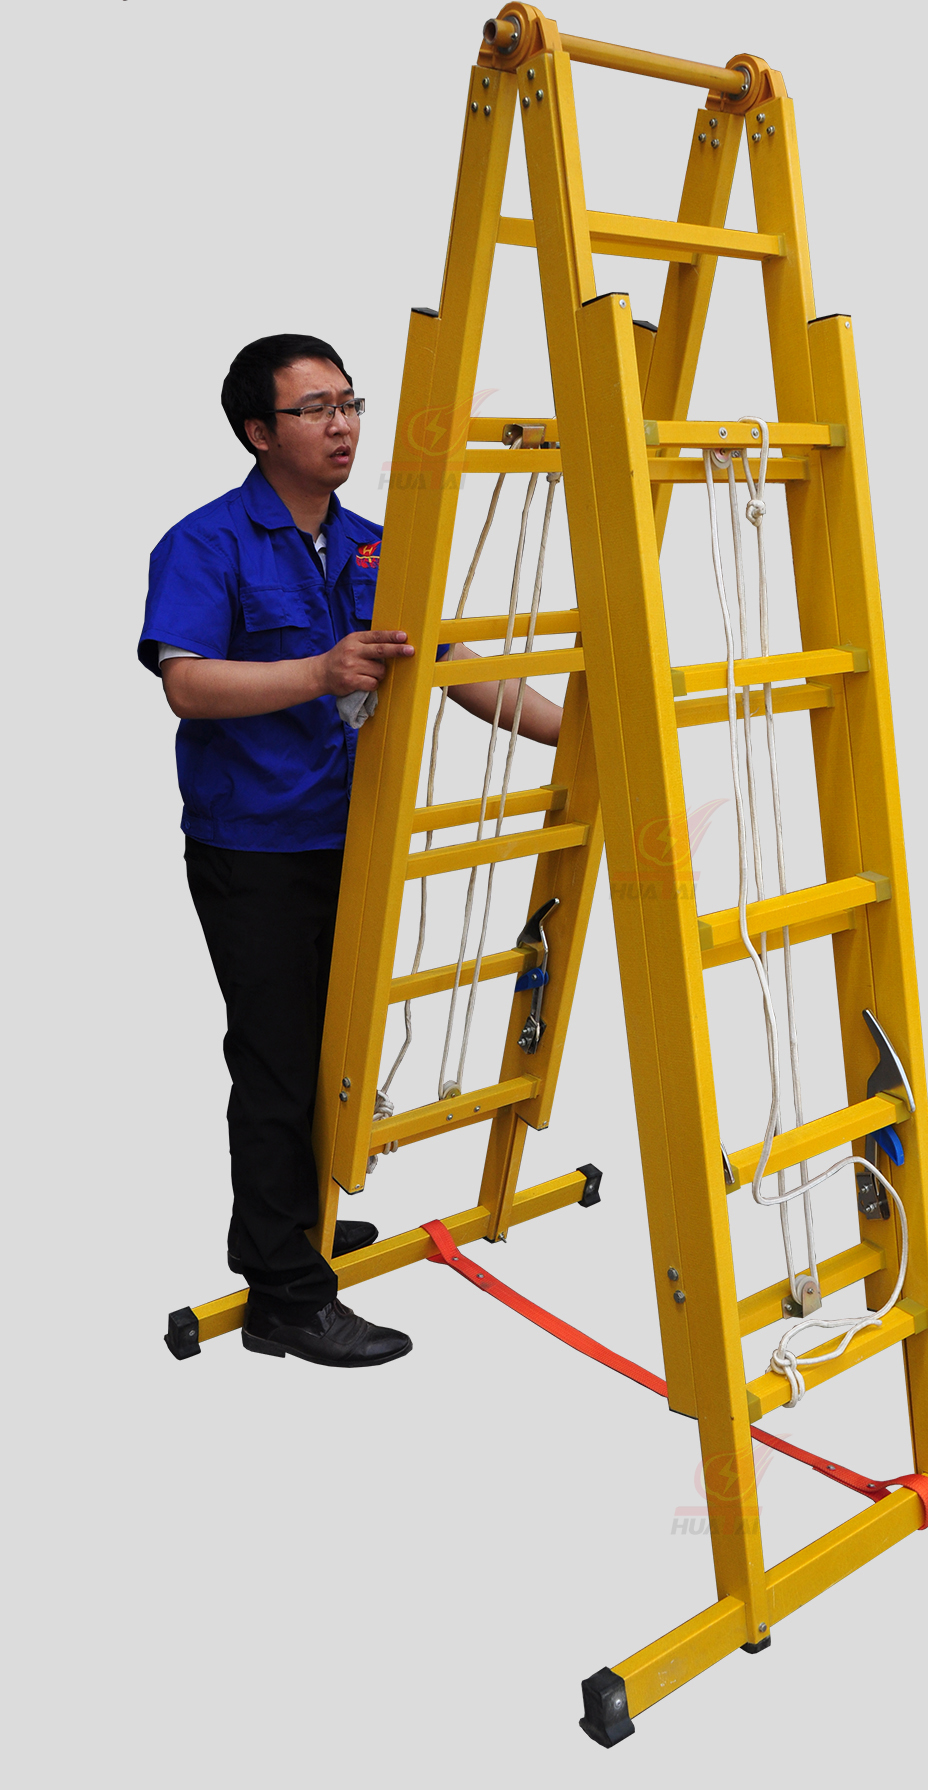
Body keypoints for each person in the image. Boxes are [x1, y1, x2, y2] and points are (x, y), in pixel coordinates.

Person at [140, 334, 561, 1368]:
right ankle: (285, 1296)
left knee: (335, 1046)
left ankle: (290, 1222)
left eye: (350, 403)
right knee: (278, 1058)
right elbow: (188, 684)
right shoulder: (205, 544)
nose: (342, 425)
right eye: (315, 408)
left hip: (356, 838)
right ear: (258, 431)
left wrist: (581, 735)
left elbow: (459, 670)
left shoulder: (378, 547)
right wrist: (319, 672)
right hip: (256, 845)